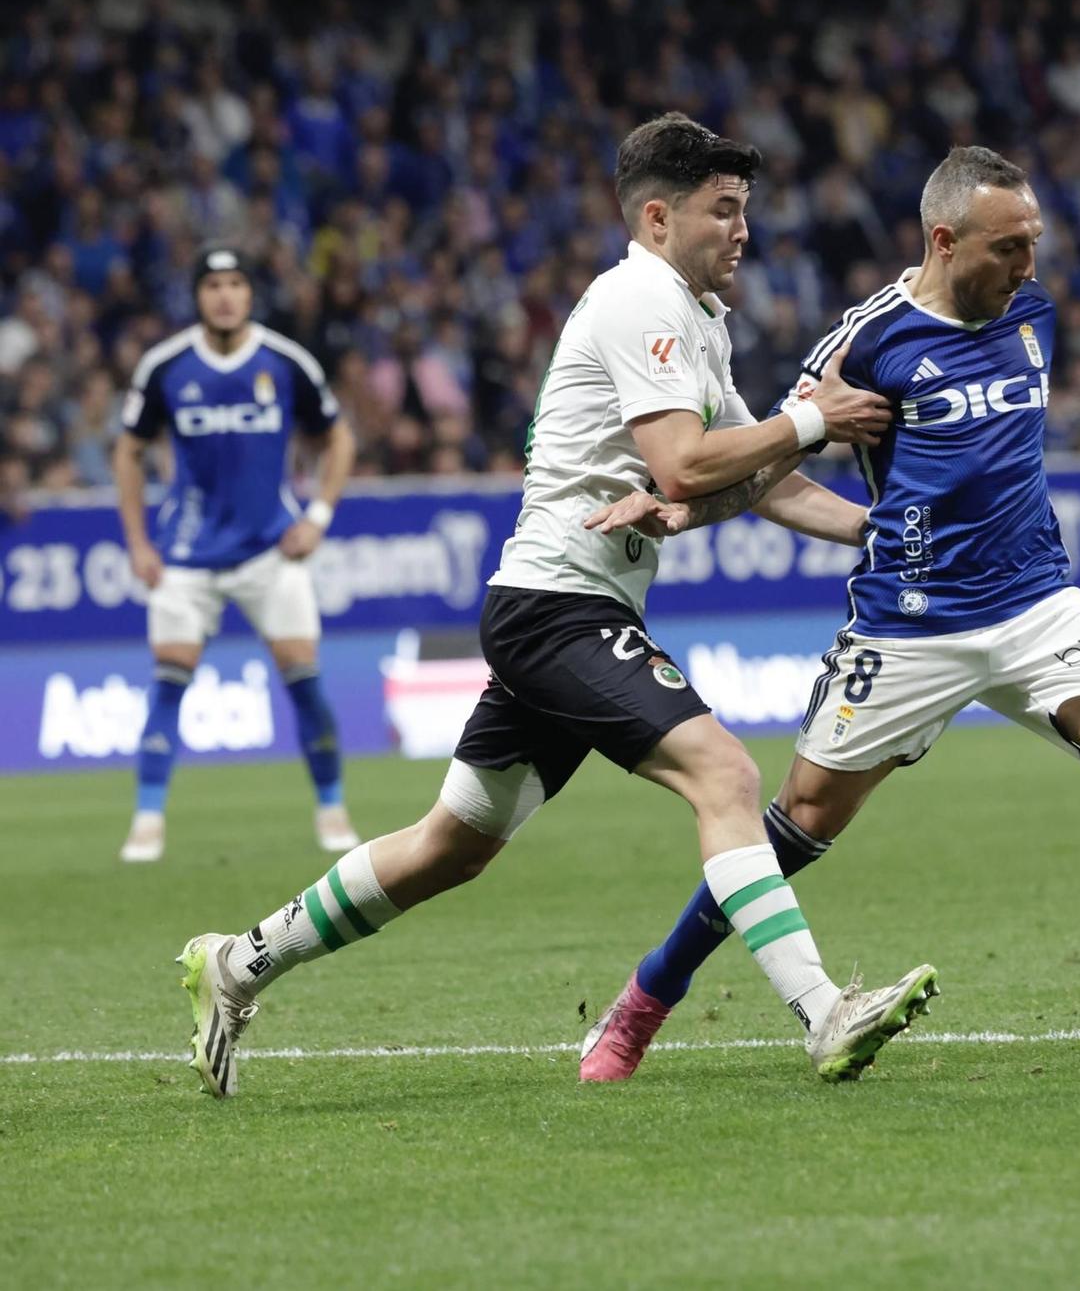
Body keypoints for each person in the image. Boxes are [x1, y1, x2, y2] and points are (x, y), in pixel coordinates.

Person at [575, 146, 1080, 1082]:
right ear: (943, 238)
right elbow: (767, 469)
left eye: (1034, 245)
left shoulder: (1031, 313)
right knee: (797, 823)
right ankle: (647, 996)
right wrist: (681, 504)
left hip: (1040, 607)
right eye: (1009, 248)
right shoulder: (870, 340)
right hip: (909, 625)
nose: (1028, 268)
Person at [173, 114, 937, 1098]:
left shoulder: (698, 318)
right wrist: (814, 416)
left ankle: (236, 962)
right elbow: (681, 462)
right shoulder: (638, 299)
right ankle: (823, 1012)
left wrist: (869, 531)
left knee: (450, 846)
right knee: (725, 775)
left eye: (745, 209)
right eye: (724, 209)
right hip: (558, 608)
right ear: (657, 217)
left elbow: (758, 477)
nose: (742, 230)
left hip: (566, 607)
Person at [114, 246, 360, 861]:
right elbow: (128, 450)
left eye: (235, 284)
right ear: (197, 296)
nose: (224, 295)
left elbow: (338, 438)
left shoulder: (284, 361)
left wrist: (319, 516)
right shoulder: (166, 365)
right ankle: (147, 820)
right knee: (168, 681)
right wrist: (139, 542)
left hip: (270, 549)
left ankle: (331, 809)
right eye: (212, 284)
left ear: (250, 294)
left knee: (303, 678)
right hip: (185, 553)